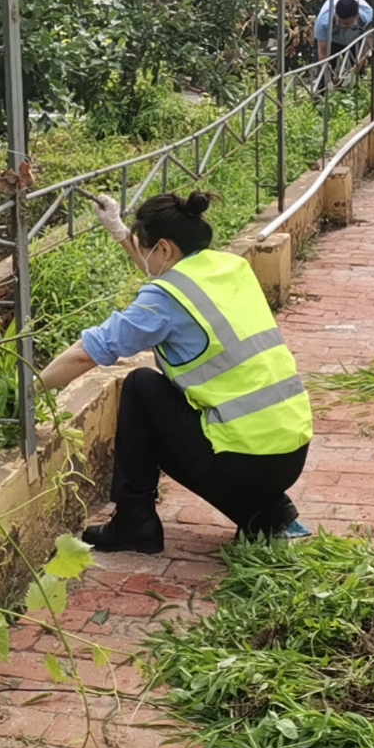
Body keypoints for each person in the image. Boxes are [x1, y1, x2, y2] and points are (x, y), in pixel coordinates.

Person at [35, 191, 313, 553]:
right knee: (172, 408)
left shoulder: (165, 300)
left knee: (141, 388)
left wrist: (28, 390)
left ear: (164, 248)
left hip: (246, 459)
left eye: (147, 247)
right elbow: (167, 279)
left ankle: (135, 520)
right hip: (289, 450)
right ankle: (269, 512)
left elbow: (86, 355)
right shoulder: (228, 268)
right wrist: (120, 231)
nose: (145, 255)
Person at [314, 0, 374, 66]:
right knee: (328, 68)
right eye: (340, 22)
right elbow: (323, 52)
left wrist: (355, 71)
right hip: (333, 39)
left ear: (356, 16)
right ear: (336, 14)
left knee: (359, 69)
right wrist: (327, 76)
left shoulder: (367, 16)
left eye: (347, 24)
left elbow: (368, 46)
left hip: (356, 38)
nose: (343, 26)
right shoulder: (323, 22)